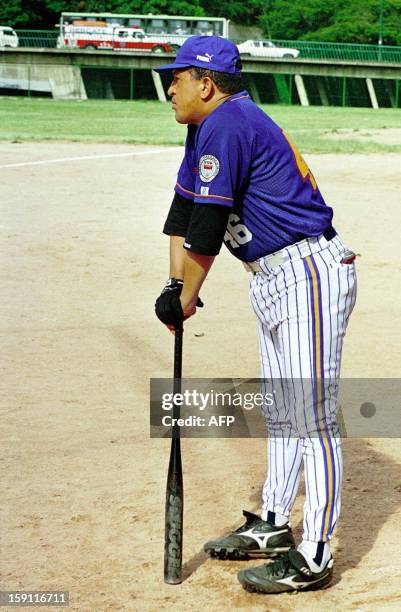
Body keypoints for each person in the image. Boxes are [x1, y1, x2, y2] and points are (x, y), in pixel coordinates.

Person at [154, 35, 357, 594]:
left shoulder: (230, 123)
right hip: (272, 275)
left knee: (311, 416)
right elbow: (182, 215)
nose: (169, 86)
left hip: (306, 270)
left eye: (177, 77)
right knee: (283, 405)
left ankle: (315, 555)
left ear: (206, 83)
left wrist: (187, 297)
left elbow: (207, 231)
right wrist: (175, 290)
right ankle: (273, 523)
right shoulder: (205, 129)